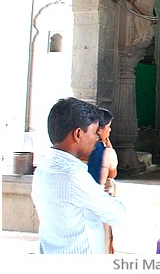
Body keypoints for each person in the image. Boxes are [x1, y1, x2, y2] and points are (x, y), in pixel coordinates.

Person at [31, 97, 126, 253]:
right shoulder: (74, 177)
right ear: (78, 134)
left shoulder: (43, 168)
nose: (96, 138)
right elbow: (117, 214)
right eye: (95, 132)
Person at [86, 107, 118, 253]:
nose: (110, 131)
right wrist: (107, 143)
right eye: (108, 127)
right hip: (100, 203)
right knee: (103, 243)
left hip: (84, 202)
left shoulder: (81, 150)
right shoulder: (107, 153)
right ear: (99, 130)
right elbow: (113, 173)